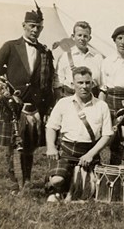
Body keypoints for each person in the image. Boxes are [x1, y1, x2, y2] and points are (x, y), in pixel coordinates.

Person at [0, 1, 55, 192]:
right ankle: (12, 183)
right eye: (32, 26)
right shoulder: (10, 47)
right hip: (13, 104)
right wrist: (1, 92)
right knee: (13, 145)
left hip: (34, 106)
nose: (35, 30)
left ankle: (25, 181)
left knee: (30, 145)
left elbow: (49, 81)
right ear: (24, 26)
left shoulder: (44, 51)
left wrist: (46, 107)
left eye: (39, 27)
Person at [45, 66, 113, 202]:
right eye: (80, 83)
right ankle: (53, 185)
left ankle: (65, 189)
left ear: (92, 84)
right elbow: (51, 127)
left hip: (89, 153)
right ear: (72, 84)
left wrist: (90, 154)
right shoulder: (63, 103)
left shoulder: (101, 106)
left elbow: (107, 135)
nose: (84, 86)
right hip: (67, 151)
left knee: (92, 191)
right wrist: (51, 147)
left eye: (87, 82)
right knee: (58, 180)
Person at [99, 25, 124, 165]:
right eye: (119, 39)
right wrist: (101, 111)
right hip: (112, 103)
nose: (123, 42)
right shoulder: (107, 62)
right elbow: (103, 89)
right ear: (114, 41)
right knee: (114, 142)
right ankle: (114, 175)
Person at [54, 21, 103, 99]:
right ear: (73, 36)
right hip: (70, 98)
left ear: (89, 38)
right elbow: (57, 84)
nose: (82, 39)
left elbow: (102, 85)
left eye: (85, 36)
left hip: (92, 99)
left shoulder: (97, 57)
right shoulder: (64, 57)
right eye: (79, 35)